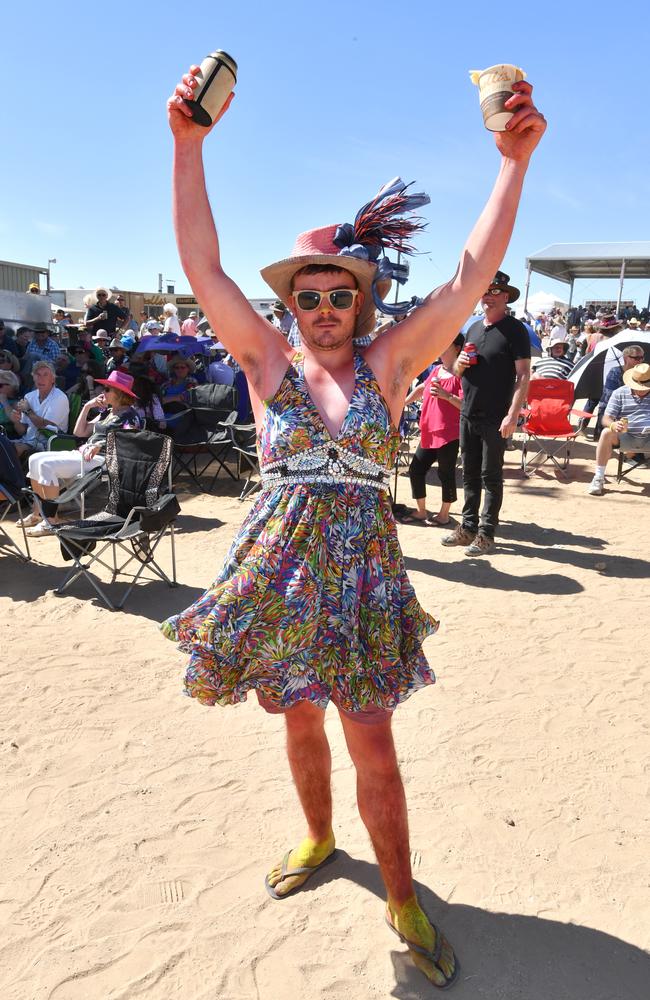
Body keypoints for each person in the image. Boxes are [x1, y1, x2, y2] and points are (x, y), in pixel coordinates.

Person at [163, 62, 545, 989]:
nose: (326, 310)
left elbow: (469, 278)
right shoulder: (263, 363)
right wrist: (188, 148)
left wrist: (512, 166)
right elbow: (203, 267)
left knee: (372, 738)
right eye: (311, 296)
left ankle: (403, 894)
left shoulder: (389, 365)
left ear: (361, 304)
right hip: (281, 579)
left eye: (341, 296)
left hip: (364, 580)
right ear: (291, 304)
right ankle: (320, 837)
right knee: (298, 727)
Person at [442, 271, 531, 556]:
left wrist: (512, 414)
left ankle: (486, 535)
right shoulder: (473, 329)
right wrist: (461, 363)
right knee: (468, 474)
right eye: (485, 291)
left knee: (490, 476)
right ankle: (467, 528)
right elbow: (455, 372)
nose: (488, 296)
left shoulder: (515, 329)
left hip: (496, 416)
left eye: (494, 292)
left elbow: (524, 375)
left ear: (506, 297)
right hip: (468, 413)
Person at [19, 370, 142, 536]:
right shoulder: (107, 412)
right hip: (85, 454)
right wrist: (87, 406)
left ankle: (50, 520)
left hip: (105, 459)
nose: (101, 391)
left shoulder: (130, 416)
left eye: (107, 389)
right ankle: (37, 514)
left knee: (46, 464)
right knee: (34, 459)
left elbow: (130, 441)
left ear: (119, 394)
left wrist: (101, 444)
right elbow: (79, 432)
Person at [400, 333, 463, 526]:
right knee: (416, 469)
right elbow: (421, 388)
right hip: (429, 430)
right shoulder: (436, 370)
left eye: (446, 344)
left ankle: (444, 515)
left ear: (457, 349)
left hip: (448, 433)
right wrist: (402, 403)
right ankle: (421, 511)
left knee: (446, 473)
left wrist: (446, 396)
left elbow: (466, 405)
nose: (441, 348)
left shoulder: (460, 375)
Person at [587, 363, 650, 496]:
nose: (641, 390)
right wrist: (613, 425)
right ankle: (598, 477)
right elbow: (606, 419)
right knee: (606, 432)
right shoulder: (620, 393)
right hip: (625, 436)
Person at [9, 361, 69, 456]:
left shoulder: (60, 397)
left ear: (53, 379)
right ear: (33, 377)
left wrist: (28, 410)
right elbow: (22, 431)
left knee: (10, 451)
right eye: (38, 374)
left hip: (49, 444)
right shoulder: (29, 396)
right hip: (27, 441)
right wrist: (16, 421)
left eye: (45, 375)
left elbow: (44, 426)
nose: (41, 378)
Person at [0, 370, 21, 436]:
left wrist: (5, 402)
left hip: (6, 436)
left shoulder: (16, 404)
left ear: (12, 386)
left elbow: (20, 429)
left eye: (0, 385)